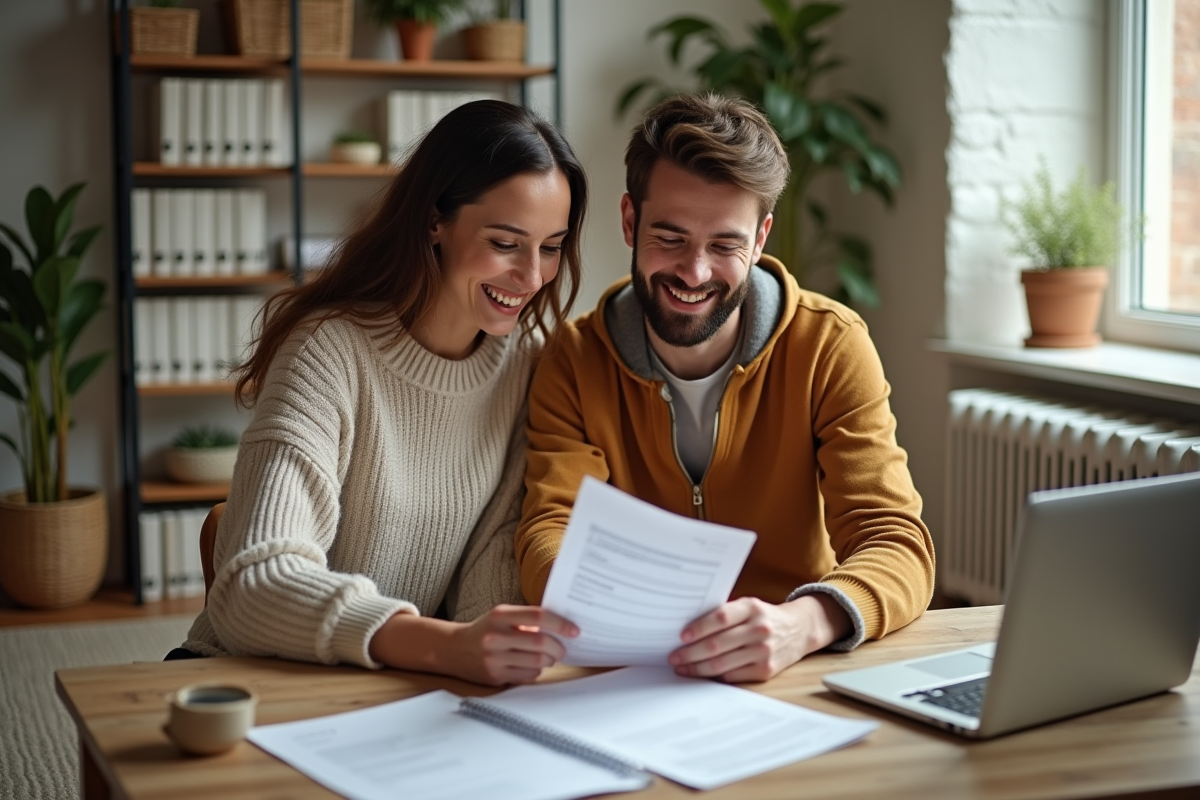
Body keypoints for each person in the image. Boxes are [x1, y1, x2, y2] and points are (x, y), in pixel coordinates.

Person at [515, 93, 935, 683]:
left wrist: (805, 623)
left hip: (792, 664)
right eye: (671, 237)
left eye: (725, 245)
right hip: (634, 667)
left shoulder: (829, 345)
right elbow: (549, 527)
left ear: (761, 239)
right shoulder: (574, 358)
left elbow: (895, 540)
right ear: (630, 221)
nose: (695, 272)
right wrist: (615, 611)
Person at [176, 100, 586, 686]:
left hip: (400, 685)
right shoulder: (329, 351)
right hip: (254, 679)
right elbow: (251, 589)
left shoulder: (527, 366)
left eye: (550, 247)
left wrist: (490, 667)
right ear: (434, 222)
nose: (532, 276)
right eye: (505, 243)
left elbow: (489, 578)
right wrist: (441, 646)